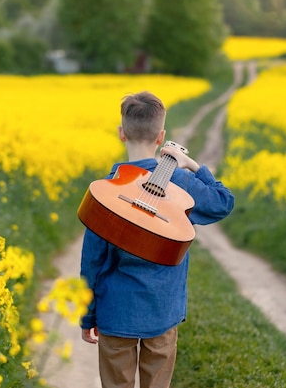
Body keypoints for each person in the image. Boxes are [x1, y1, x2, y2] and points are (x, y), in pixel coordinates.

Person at [79, 91, 235, 388]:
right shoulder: (181, 182)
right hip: (162, 312)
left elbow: (92, 261)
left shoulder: (106, 193)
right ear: (161, 137)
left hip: (116, 312)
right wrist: (191, 165)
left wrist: (88, 316)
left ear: (121, 133)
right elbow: (223, 201)